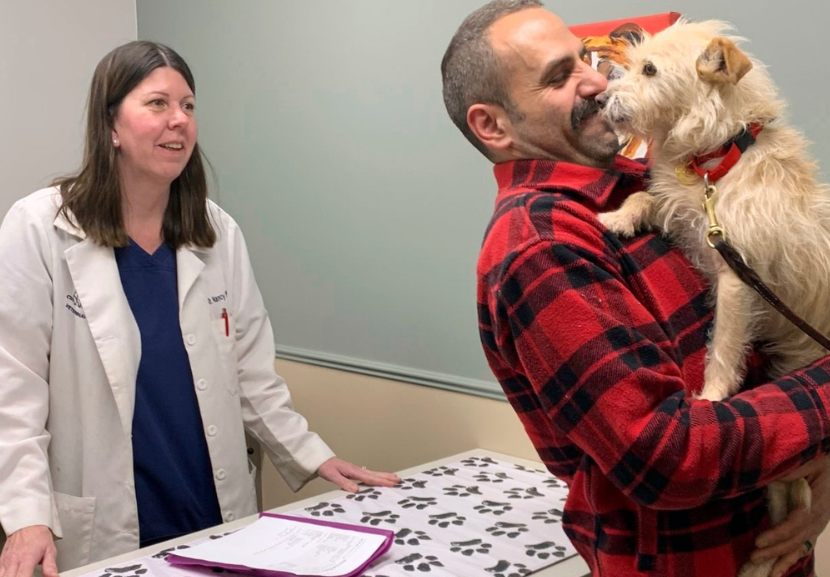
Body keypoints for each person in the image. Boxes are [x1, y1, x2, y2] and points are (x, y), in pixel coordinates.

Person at [442, 2, 830, 576]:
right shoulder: (543, 248)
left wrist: (817, 482)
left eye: (584, 60)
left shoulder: (648, 188)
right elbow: (669, 457)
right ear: (492, 126)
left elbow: (763, 351)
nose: (598, 80)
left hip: (769, 542)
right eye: (559, 76)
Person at [0, 41, 400, 577]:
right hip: (109, 522)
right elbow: (15, 390)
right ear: (111, 126)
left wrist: (313, 454)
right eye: (158, 104)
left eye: (188, 106)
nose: (179, 121)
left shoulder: (215, 233)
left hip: (212, 512)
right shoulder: (39, 228)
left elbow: (252, 374)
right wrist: (27, 517)